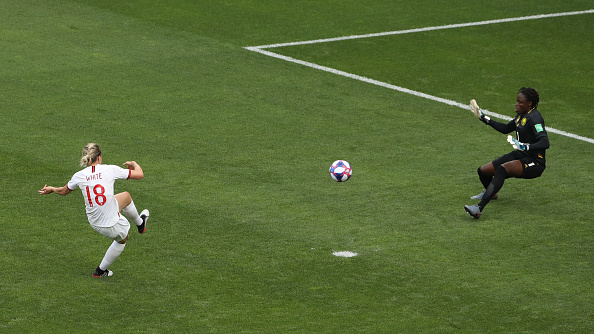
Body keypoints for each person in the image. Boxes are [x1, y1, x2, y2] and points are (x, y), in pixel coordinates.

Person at [38, 143, 149, 277]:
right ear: (100, 157)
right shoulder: (110, 169)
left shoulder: (79, 175)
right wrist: (134, 164)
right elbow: (140, 174)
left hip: (94, 219)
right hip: (109, 223)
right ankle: (100, 271)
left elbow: (63, 191)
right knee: (123, 239)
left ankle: (140, 224)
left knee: (126, 197)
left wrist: (51, 189)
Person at [464, 87, 549, 219]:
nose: (516, 104)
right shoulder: (521, 115)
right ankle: (491, 193)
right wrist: (484, 118)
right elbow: (505, 129)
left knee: (503, 169)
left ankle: (478, 208)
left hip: (535, 162)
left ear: (529, 103)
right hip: (521, 155)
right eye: (517, 101)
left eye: (520, 102)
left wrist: (526, 147)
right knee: (483, 171)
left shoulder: (535, 118)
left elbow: (545, 142)